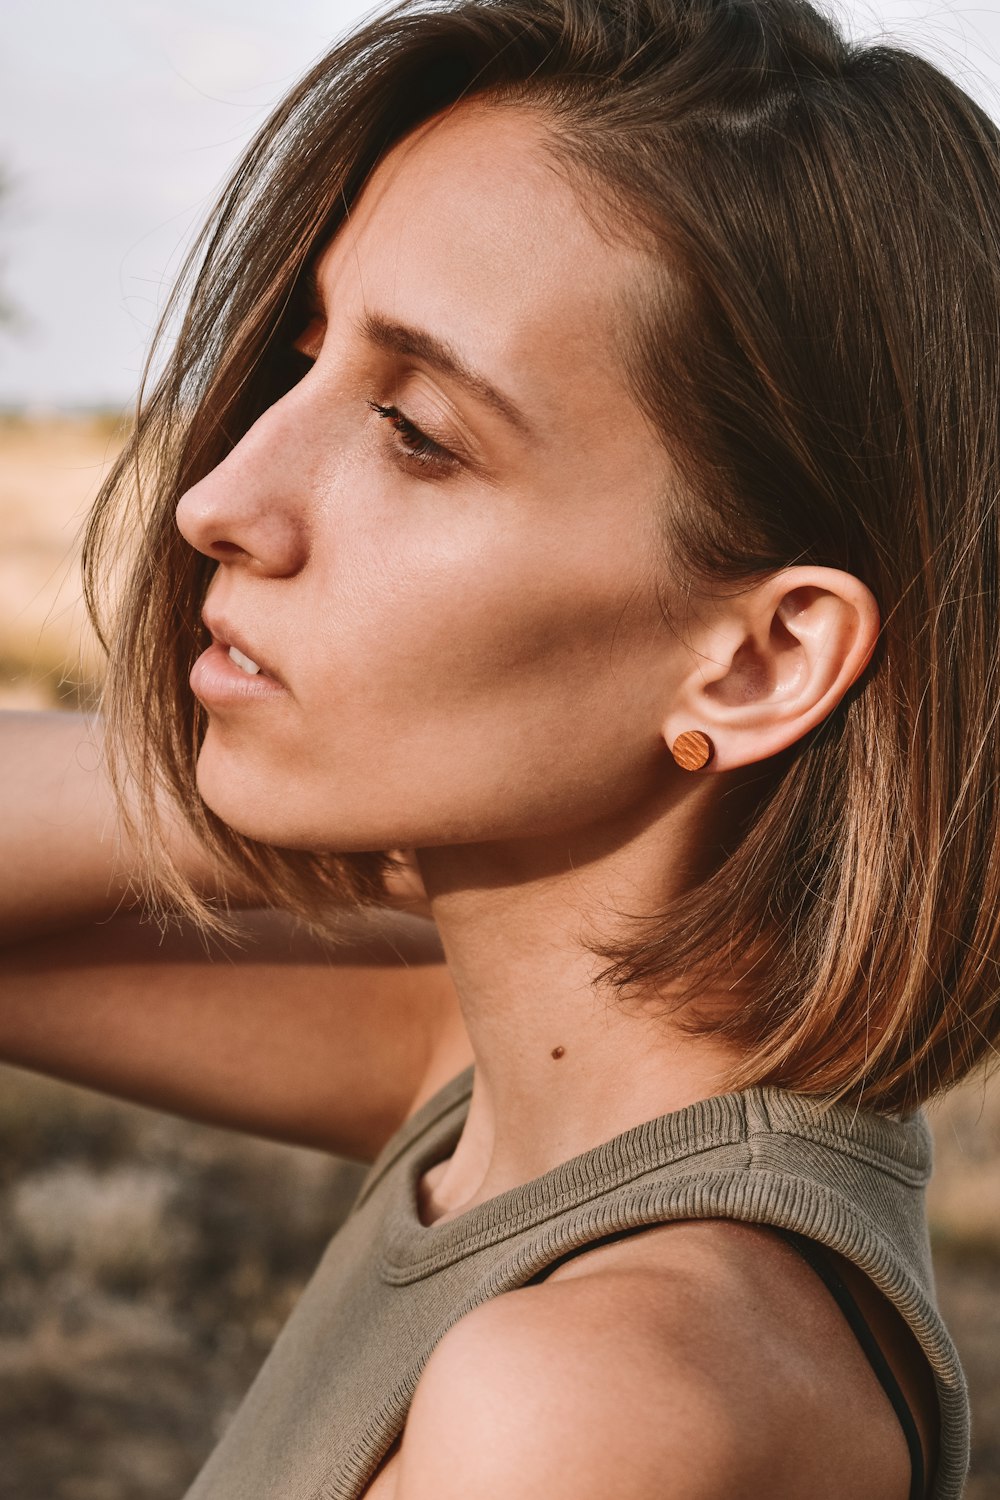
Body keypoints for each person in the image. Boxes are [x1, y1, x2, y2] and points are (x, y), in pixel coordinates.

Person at [2, 0, 998, 1494]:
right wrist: (318, 787)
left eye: (415, 429)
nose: (218, 495)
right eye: (307, 354)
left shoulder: (594, 1398)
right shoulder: (504, 1078)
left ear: (762, 660)